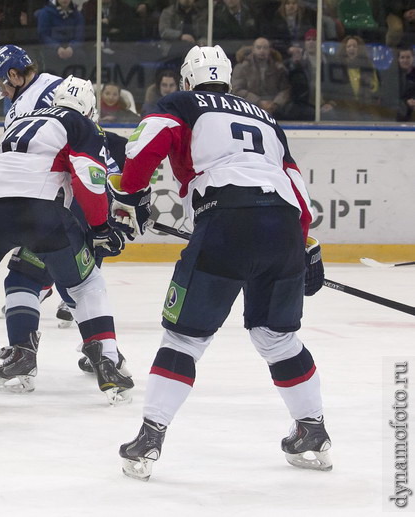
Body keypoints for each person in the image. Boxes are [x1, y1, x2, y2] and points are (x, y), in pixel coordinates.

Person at [115, 45, 330, 481]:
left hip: (226, 220)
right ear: (228, 79)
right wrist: (305, 243)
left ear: (188, 78)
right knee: (278, 338)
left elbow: (145, 146)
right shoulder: (264, 116)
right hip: (284, 224)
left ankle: (150, 436)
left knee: (184, 339)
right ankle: (313, 430)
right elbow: (293, 180)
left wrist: (130, 195)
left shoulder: (182, 102)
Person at [0, 75, 134, 404]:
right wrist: (102, 227)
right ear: (90, 110)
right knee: (86, 285)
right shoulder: (82, 125)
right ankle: (106, 361)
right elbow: (90, 179)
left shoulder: (21, 118)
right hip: (42, 212)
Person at [231, 36, 291, 117]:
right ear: (253, 49)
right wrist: (258, 102)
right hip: (248, 108)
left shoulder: (278, 68)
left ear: (270, 50)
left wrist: (276, 103)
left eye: (265, 48)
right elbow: (236, 89)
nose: (262, 51)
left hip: (275, 109)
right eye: (259, 48)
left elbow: (285, 89)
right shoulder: (242, 67)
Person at [36, 0, 85, 75]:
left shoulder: (77, 14)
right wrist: (57, 48)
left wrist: (71, 48)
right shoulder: (45, 13)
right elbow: (43, 35)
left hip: (73, 52)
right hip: (51, 50)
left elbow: (80, 36)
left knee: (81, 55)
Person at [395, 46, 415, 120]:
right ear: (398, 59)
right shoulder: (392, 76)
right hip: (395, 116)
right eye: (402, 57)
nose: (405, 60)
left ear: (413, 58)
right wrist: (406, 102)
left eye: (408, 57)